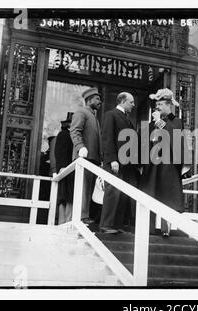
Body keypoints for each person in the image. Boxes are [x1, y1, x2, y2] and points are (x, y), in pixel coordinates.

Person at [140, 88, 189, 237]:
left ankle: (164, 229)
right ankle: (148, 229)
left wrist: (159, 122)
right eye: (157, 104)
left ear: (168, 105)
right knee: (150, 195)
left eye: (161, 104)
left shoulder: (176, 121)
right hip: (153, 165)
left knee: (166, 197)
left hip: (168, 166)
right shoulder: (153, 122)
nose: (158, 107)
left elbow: (172, 136)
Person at [99, 92, 139, 234]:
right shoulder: (111, 115)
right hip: (115, 162)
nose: (133, 105)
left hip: (127, 164)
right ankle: (106, 225)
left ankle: (117, 225)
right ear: (122, 101)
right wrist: (112, 159)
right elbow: (107, 138)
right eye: (131, 102)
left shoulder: (128, 119)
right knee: (112, 192)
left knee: (122, 194)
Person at [70, 88, 103, 225]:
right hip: (84, 159)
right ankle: (81, 217)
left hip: (93, 160)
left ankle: (85, 215)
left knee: (90, 189)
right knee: (83, 188)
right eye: (97, 99)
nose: (100, 101)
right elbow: (75, 131)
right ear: (89, 100)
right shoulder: (81, 112)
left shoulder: (94, 117)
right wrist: (80, 147)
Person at [55, 112, 74, 224]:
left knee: (70, 195)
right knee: (65, 196)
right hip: (66, 170)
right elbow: (60, 153)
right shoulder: (63, 134)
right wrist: (62, 168)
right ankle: (63, 221)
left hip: (71, 171)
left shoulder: (71, 135)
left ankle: (68, 221)